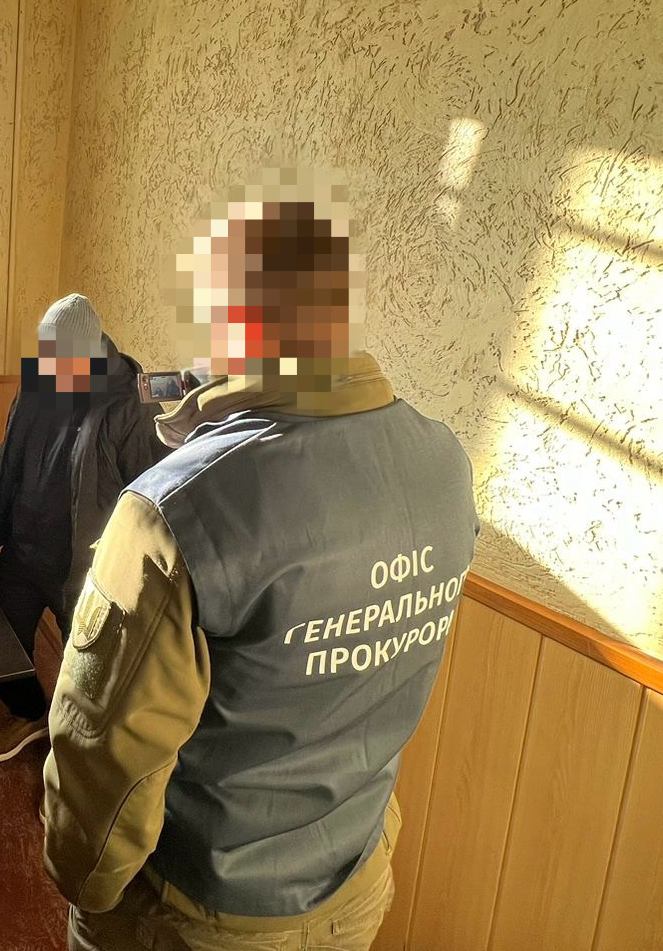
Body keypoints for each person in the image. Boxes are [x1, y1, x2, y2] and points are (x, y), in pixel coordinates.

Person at [42, 194, 479, 950]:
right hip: (358, 878)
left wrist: (87, 888)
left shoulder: (172, 509)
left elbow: (107, 749)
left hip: (203, 910)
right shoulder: (444, 461)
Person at [0, 293, 167, 763]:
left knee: (89, 676)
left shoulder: (131, 403)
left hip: (85, 568)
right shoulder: (41, 378)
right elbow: (10, 449)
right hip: (24, 550)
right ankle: (31, 715)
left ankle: (75, 761)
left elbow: (153, 493)